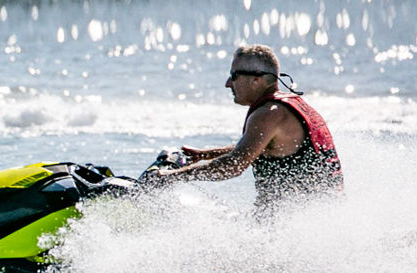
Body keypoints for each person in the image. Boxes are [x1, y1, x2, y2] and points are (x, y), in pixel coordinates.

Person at [147, 45, 343, 210]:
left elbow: (234, 165)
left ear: (255, 78)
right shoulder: (286, 106)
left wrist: (173, 176)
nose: (227, 83)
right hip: (308, 219)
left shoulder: (269, 114)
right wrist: (205, 155)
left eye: (234, 76)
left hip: (290, 231)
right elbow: (257, 148)